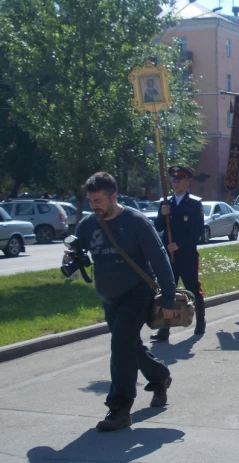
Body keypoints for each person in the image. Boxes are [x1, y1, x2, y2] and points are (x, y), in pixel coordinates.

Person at [68, 172, 176, 431]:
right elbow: (74, 250)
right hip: (109, 296)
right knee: (129, 345)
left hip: (137, 292)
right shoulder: (88, 224)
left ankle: (119, 409)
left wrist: (169, 297)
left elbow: (160, 259)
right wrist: (71, 261)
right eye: (91, 201)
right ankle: (160, 377)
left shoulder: (136, 222)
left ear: (114, 196)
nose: (94, 206)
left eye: (98, 200)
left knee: (120, 345)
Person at [150, 166, 206, 342]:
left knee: (193, 289)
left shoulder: (195, 203)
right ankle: (164, 329)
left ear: (187, 182)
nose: (176, 184)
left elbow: (198, 231)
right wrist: (162, 214)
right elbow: (158, 227)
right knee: (168, 291)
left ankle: (200, 322)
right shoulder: (166, 203)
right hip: (169, 257)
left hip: (187, 255)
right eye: (174, 181)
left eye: (179, 181)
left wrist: (179, 245)